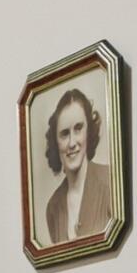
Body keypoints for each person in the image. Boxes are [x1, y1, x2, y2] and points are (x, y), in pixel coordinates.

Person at [37, 87, 116, 249]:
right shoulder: (53, 207)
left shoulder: (111, 182)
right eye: (65, 133)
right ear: (56, 142)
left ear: (88, 131)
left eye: (78, 128)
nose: (72, 143)